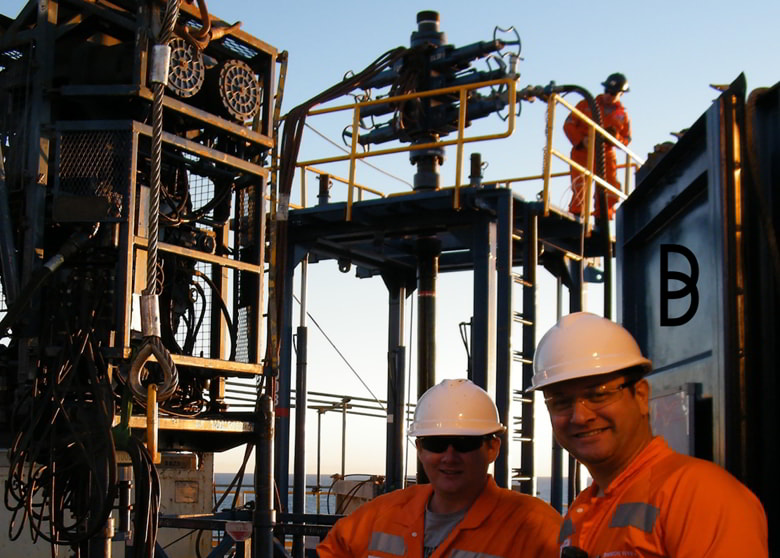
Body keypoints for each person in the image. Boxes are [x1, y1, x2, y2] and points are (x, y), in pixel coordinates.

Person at [531, 312, 768, 557]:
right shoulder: (581, 511)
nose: (580, 416)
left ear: (642, 396)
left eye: (599, 395)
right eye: (560, 402)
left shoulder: (702, 496)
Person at [316, 378, 562, 558]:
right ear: (420, 449)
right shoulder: (380, 514)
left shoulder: (536, 528)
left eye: (464, 443)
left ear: (492, 449)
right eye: (436, 444)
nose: (449, 457)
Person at [563, 73, 631, 220]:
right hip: (583, 152)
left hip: (606, 154)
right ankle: (577, 216)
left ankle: (603, 218)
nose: (608, 95)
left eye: (612, 93)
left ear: (621, 94)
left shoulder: (623, 116)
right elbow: (568, 124)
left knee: (610, 189)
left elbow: (626, 140)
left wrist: (615, 138)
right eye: (607, 91)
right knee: (580, 186)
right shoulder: (585, 105)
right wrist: (581, 141)